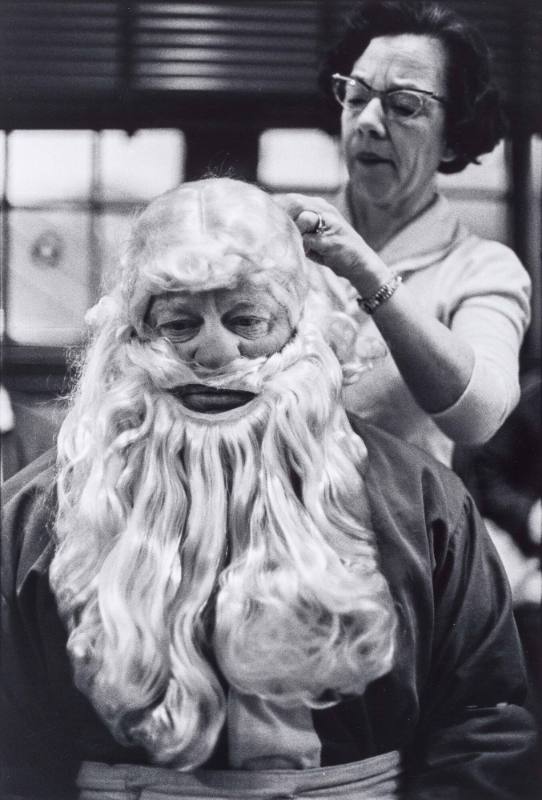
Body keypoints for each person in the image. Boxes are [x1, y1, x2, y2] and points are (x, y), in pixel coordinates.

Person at [1, 178, 537, 800]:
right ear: (132, 337)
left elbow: (482, 725)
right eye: (179, 321)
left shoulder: (422, 505)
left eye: (246, 318)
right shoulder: (36, 516)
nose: (214, 351)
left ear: (298, 332)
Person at [279, 0, 531, 466]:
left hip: (398, 532)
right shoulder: (281, 236)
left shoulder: (481, 269)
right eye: (356, 96)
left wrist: (367, 271)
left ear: (453, 135)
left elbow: (480, 415)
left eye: (404, 105)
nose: (369, 122)